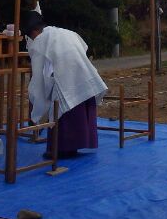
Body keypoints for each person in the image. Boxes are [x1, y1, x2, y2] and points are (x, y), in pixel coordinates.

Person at [22, 11, 108, 159]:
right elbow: (84, 46)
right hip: (84, 74)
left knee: (61, 111)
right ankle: (74, 147)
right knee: (78, 113)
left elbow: (42, 74)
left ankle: (62, 150)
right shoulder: (64, 32)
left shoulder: (42, 40)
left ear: (34, 31)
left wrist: (38, 96)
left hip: (66, 79)